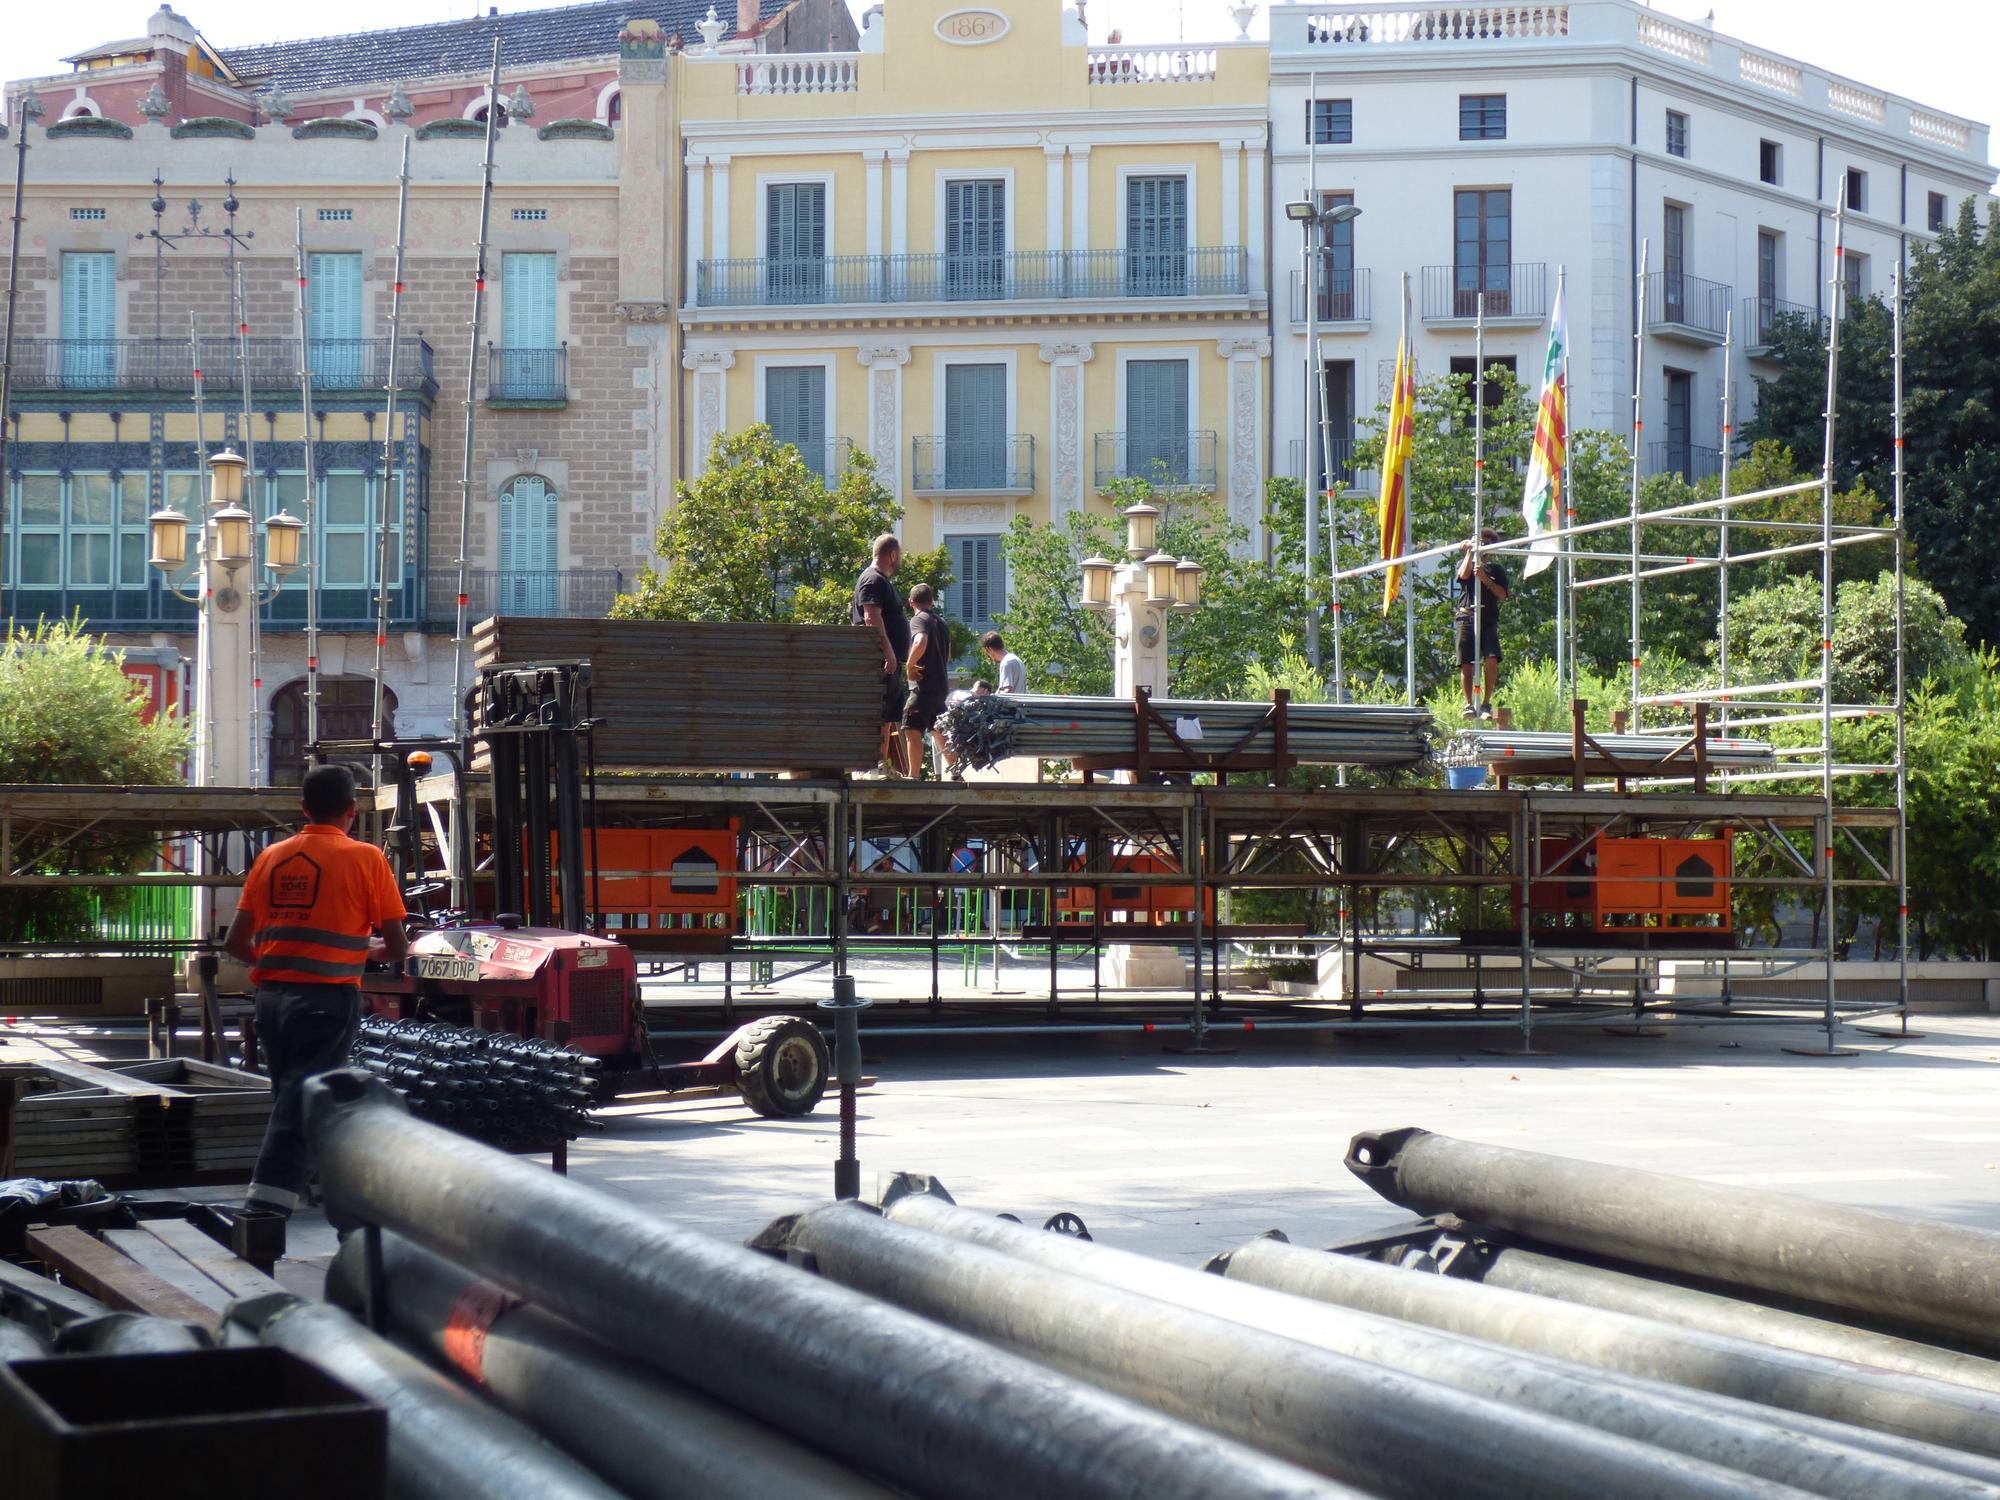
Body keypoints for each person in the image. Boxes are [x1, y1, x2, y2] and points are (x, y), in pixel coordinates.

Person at [223, 764, 408, 1216]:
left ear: (304, 809)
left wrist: (280, 959)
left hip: (271, 1000)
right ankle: (264, 1208)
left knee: (290, 1092)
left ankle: (326, 1188)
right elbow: (397, 947)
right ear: (352, 809)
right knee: (304, 1098)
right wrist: (367, 950)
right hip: (326, 1000)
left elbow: (235, 943)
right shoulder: (366, 858)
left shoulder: (272, 857)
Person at [851, 534, 911, 775]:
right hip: (879, 661)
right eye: (900, 556)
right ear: (893, 555)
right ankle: (871, 766)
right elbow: (871, 617)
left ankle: (880, 764)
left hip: (888, 661)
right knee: (879, 712)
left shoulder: (880, 581)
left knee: (887, 714)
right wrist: (888, 652)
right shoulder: (872, 580)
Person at [1456, 527, 1509, 721]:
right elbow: (1463, 576)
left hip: (1487, 619)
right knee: (1466, 663)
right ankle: (1469, 703)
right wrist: (1470, 552)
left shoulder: (1496, 569)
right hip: (1467, 616)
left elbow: (1502, 594)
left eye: (1487, 543)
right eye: (1481, 542)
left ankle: (1486, 701)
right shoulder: (1465, 563)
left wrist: (1486, 580)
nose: (1483, 546)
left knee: (1492, 658)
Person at [901, 583, 954, 778]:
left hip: (923, 686)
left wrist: (909, 665)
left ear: (911, 602)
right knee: (939, 730)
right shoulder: (941, 623)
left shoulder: (918, 619)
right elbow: (948, 654)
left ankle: (913, 776)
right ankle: (956, 773)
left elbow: (920, 641)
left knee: (911, 727)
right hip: (941, 686)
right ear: (931, 601)